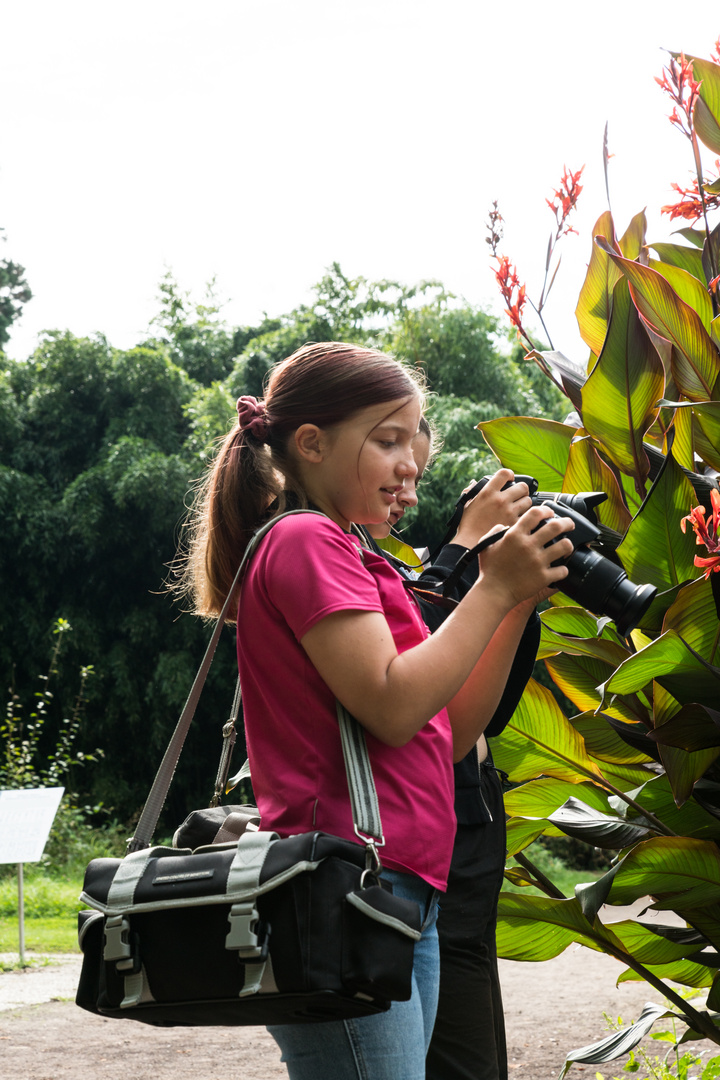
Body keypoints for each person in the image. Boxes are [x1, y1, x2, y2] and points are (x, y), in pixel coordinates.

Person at [179, 341, 574, 1080]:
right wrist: (488, 591)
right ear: (313, 445)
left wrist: (515, 598)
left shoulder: (363, 558)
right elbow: (393, 707)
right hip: (344, 892)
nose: (410, 463)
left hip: (396, 892)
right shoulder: (306, 540)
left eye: (413, 441)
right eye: (387, 440)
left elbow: (447, 730)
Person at [365, 427, 539, 1080]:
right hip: (401, 855)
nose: (408, 478)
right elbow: (414, 697)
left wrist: (519, 598)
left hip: (461, 843)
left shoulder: (388, 568)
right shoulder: (326, 561)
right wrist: (466, 555)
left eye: (418, 465)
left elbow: (471, 718)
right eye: (391, 451)